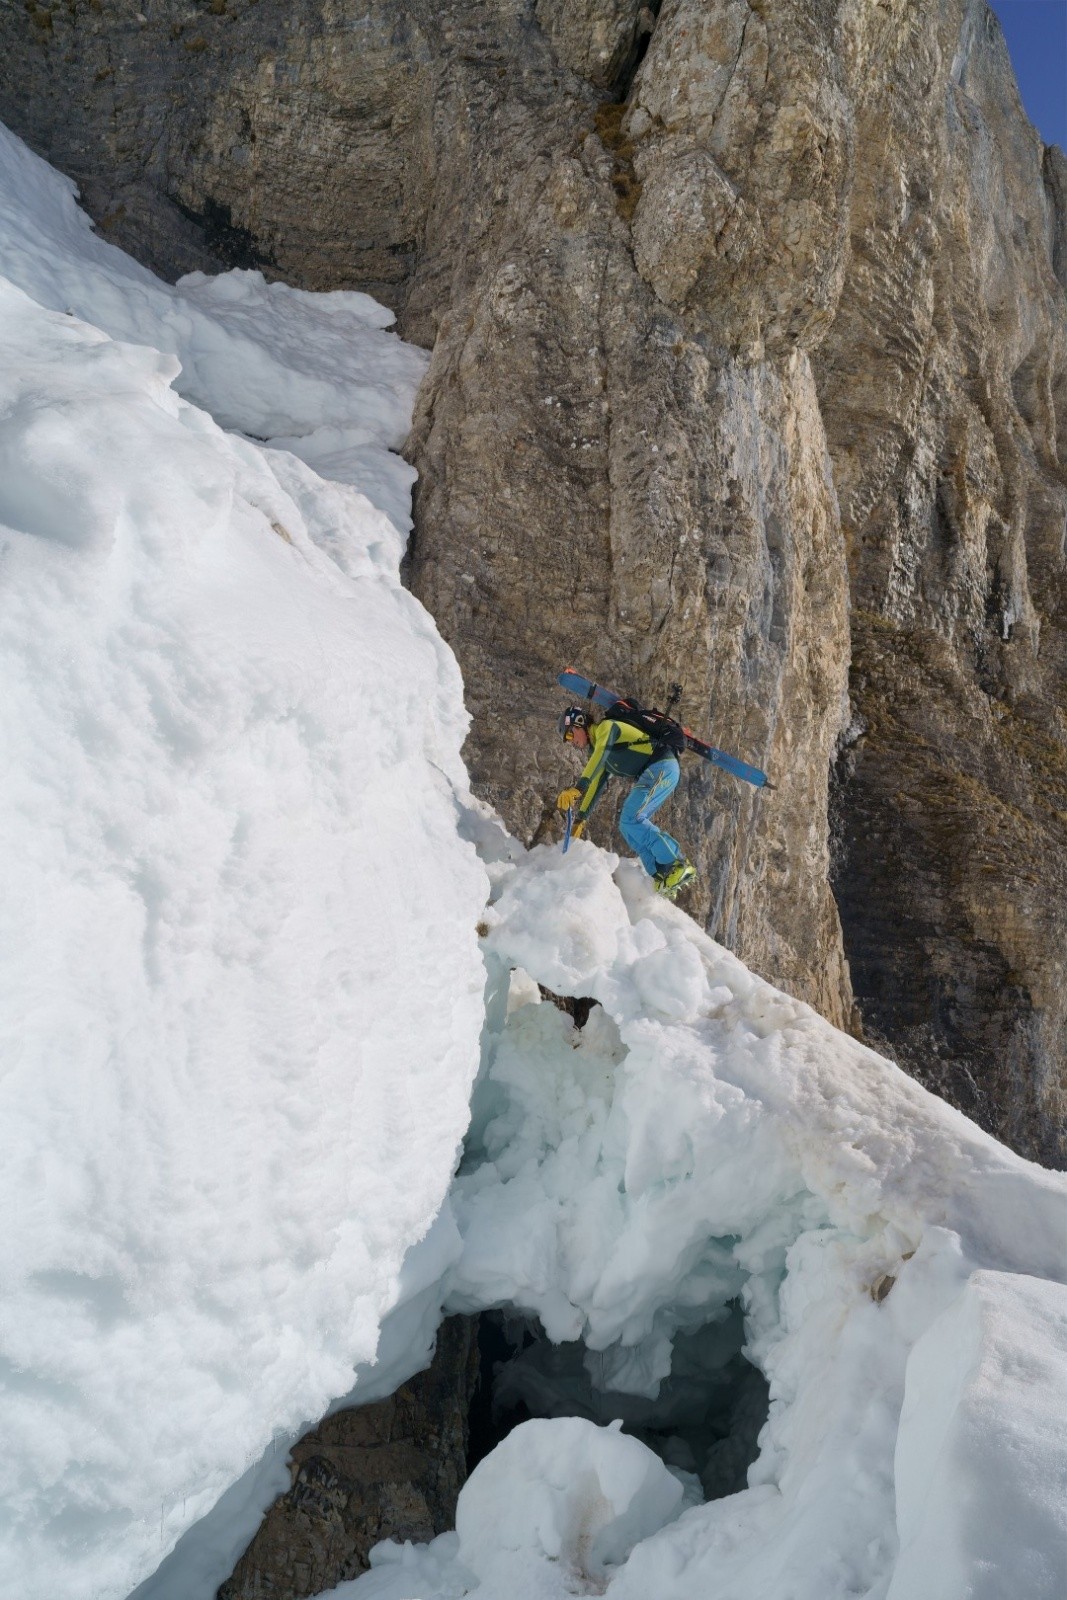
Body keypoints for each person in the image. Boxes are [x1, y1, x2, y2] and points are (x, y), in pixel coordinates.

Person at [556, 706, 697, 896]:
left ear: (579, 723)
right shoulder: (598, 750)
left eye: (570, 736)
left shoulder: (607, 728)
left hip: (662, 767)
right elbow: (597, 783)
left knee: (633, 818)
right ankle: (661, 874)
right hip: (652, 774)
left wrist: (577, 788)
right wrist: (581, 818)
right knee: (626, 824)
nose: (571, 742)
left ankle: (676, 863)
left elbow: (598, 757)